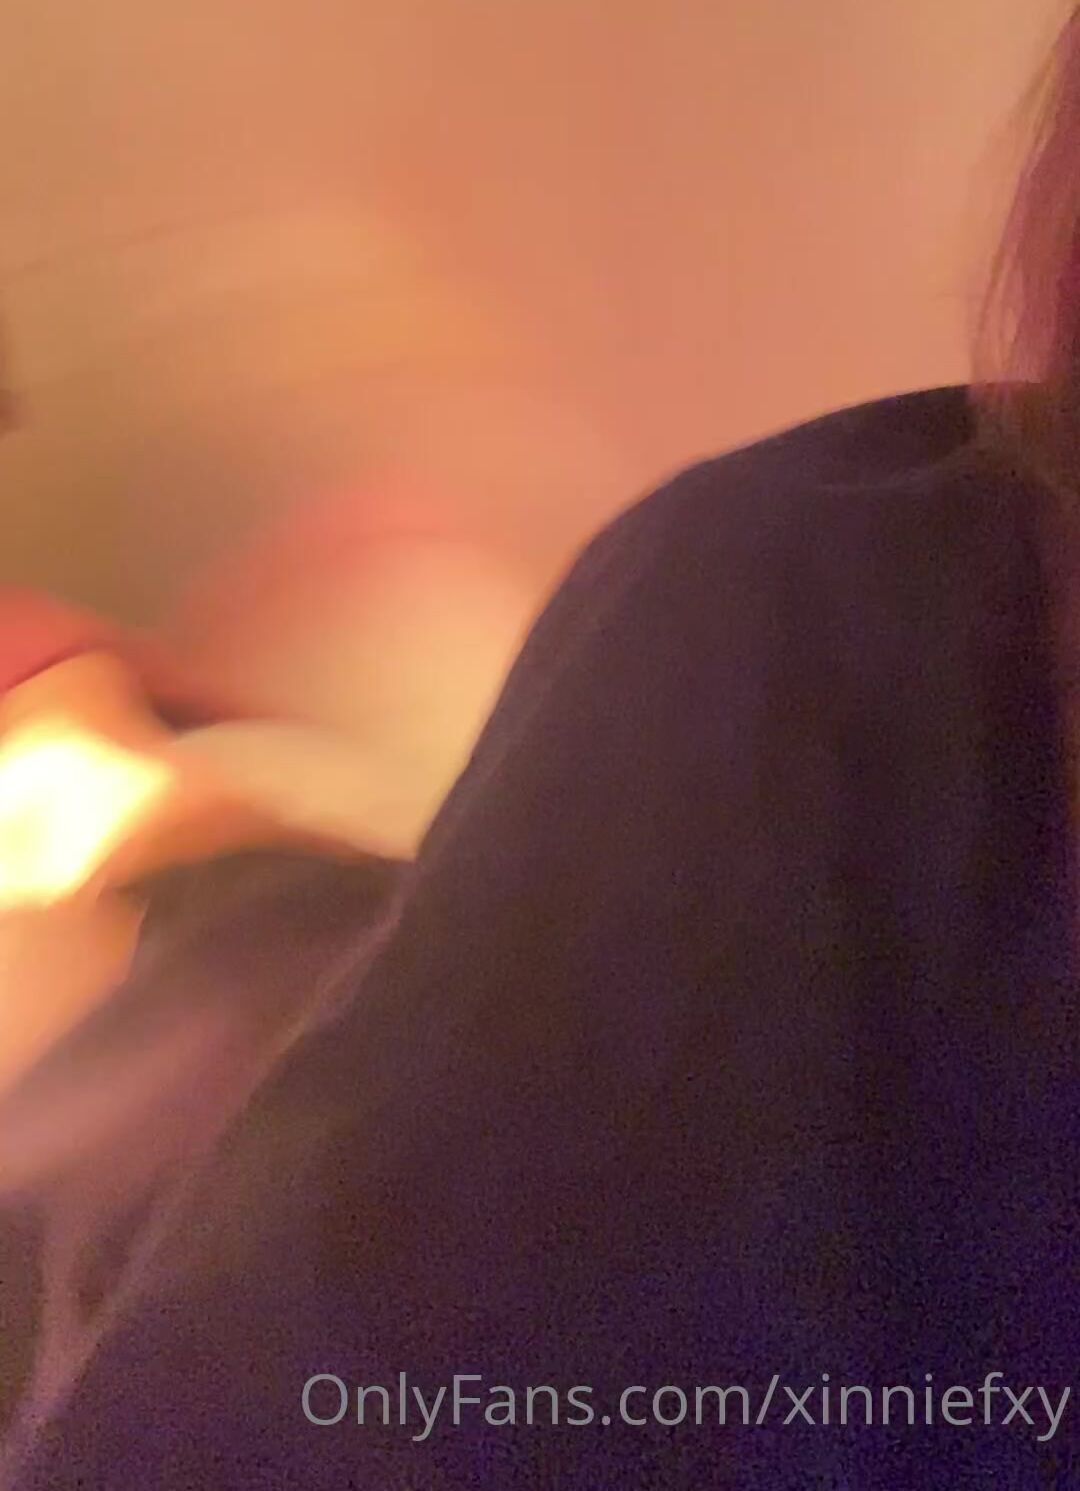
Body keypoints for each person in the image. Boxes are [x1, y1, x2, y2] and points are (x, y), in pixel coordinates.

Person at [4, 15, 1080, 1491]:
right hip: (317, 942)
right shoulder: (820, 614)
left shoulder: (820, 615)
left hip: (293, 973)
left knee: (216, 998)